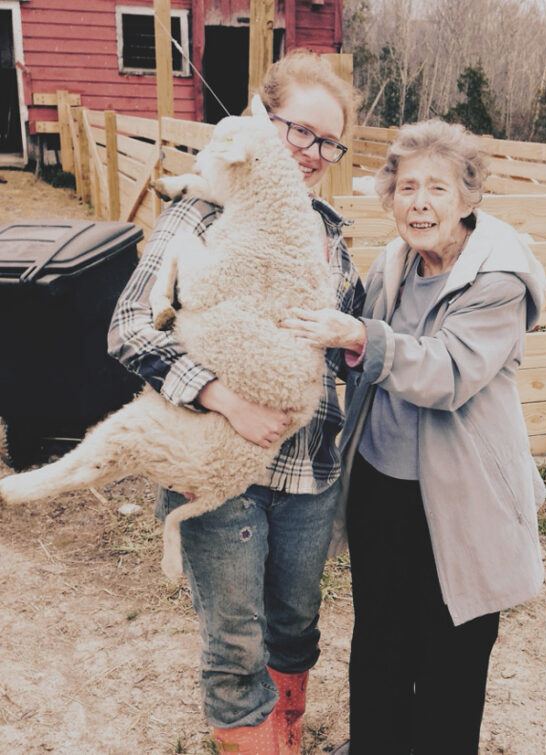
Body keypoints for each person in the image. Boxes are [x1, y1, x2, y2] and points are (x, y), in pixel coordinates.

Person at [108, 50, 364, 755]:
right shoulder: (202, 209)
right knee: (234, 642)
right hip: (220, 471)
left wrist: (353, 340)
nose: (311, 154)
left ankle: (286, 731)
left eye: (327, 141)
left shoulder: (331, 235)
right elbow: (128, 326)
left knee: (294, 624)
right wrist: (222, 398)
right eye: (298, 131)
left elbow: (354, 340)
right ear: (261, 116)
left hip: (307, 472)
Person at [281, 119, 546, 754]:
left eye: (436, 188)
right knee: (379, 635)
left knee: (453, 645)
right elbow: (357, 343)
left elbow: (449, 371)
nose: (419, 203)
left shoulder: (499, 280)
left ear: (468, 197)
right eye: (405, 188)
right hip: (382, 482)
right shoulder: (393, 262)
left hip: (462, 496)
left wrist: (356, 337)